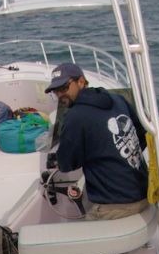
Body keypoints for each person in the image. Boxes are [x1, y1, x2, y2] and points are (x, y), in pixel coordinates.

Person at [46, 62, 152, 221]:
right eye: (56, 91)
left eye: (64, 88)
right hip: (145, 192)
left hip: (116, 207)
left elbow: (67, 164)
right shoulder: (117, 99)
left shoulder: (75, 117)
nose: (60, 95)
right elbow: (141, 135)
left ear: (81, 82)